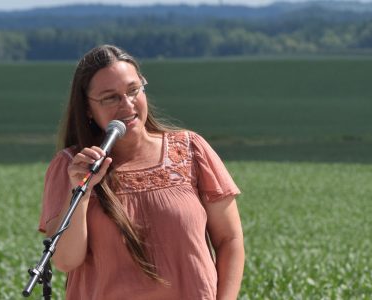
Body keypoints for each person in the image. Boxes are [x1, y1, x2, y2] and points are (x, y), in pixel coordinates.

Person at [38, 44, 245, 300]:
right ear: (88, 109)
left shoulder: (191, 149)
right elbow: (66, 261)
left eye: (133, 90)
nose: (127, 104)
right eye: (110, 97)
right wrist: (82, 189)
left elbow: (229, 239)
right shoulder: (70, 166)